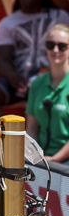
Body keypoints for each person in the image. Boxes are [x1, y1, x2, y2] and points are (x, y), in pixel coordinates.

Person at [0, 0, 69, 120]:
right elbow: (2, 61)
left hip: (54, 78)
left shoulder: (59, 17)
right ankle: (0, 135)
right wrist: (12, 76)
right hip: (22, 82)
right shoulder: (7, 24)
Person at [26, 24, 69, 162]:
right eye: (50, 45)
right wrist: (35, 156)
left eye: (62, 46)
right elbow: (31, 127)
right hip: (41, 158)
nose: (55, 50)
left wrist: (54, 159)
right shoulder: (36, 84)